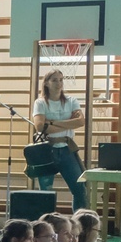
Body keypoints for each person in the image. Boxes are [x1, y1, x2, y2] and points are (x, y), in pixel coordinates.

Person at [31, 69, 88, 212]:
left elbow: (80, 122)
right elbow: (40, 126)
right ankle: (46, 223)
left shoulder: (71, 101)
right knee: (45, 191)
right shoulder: (40, 102)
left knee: (79, 188)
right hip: (47, 150)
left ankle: (79, 222)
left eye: (61, 80)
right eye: (55, 80)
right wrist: (69, 122)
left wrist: (51, 122)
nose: (59, 83)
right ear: (46, 83)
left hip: (66, 149)